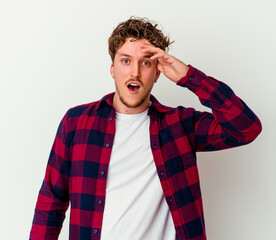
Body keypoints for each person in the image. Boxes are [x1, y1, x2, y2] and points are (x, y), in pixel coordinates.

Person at [29, 17, 262, 240]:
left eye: (146, 62)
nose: (135, 72)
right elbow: (52, 200)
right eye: (125, 61)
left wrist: (189, 77)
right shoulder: (77, 123)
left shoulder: (180, 125)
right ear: (112, 69)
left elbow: (246, 128)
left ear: (158, 72)